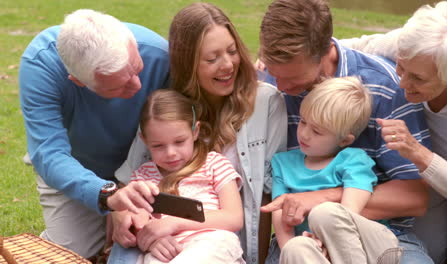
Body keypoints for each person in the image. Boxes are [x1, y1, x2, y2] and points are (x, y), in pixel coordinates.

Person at [109, 3, 287, 264]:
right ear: (189, 64)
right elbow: (129, 186)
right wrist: (127, 220)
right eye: (212, 58)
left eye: (232, 51)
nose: (227, 65)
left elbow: (265, 197)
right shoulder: (167, 110)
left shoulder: (266, 102)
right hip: (165, 243)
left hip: (220, 243)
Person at [256, 0, 433, 263]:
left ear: (326, 51)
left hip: (380, 230)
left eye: (293, 79)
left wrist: (322, 200)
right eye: (272, 72)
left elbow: (413, 196)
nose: (279, 87)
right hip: (300, 239)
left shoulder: (384, 88)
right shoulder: (270, 86)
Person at [19, 9, 169, 259]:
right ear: (78, 81)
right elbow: (49, 153)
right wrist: (109, 196)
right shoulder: (40, 65)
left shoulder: (159, 53)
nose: (137, 85)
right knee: (71, 254)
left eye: (136, 68)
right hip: (76, 169)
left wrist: (128, 187)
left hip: (144, 168)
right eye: (118, 85)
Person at [341, 2, 447, 263]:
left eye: (418, 79)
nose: (402, 83)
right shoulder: (410, 45)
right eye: (401, 67)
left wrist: (416, 151)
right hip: (426, 182)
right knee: (428, 251)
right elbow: (345, 48)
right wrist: (284, 57)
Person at [272, 76, 400, 263]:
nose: (304, 133)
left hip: (369, 247)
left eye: (317, 131)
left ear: (345, 140)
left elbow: (349, 213)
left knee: (324, 213)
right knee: (294, 247)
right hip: (317, 248)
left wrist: (325, 243)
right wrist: (290, 247)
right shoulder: (282, 163)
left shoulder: (353, 161)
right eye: (303, 122)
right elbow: (279, 214)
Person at [122, 89, 244, 263]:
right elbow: (135, 223)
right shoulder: (143, 177)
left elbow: (234, 218)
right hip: (166, 251)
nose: (170, 153)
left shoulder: (214, 164)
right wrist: (152, 241)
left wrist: (174, 223)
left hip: (212, 243)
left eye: (179, 142)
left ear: (195, 131)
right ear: (144, 140)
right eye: (158, 146)